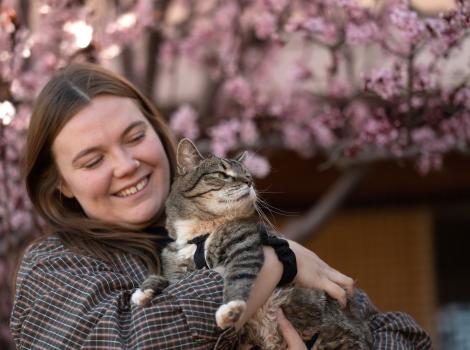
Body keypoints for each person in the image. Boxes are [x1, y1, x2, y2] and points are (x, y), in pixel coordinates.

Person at [10, 63, 431, 349]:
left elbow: (392, 331)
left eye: (135, 137)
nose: (126, 165)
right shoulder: (56, 266)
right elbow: (123, 341)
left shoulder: (236, 228)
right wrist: (266, 265)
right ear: (60, 184)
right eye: (93, 160)